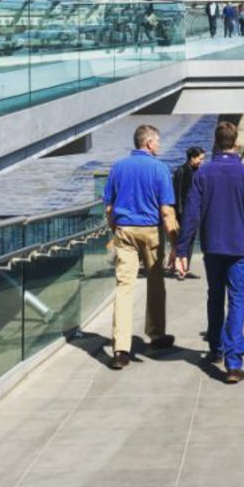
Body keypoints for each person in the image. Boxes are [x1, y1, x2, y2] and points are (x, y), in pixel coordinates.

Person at [176, 120, 244, 383]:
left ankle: (215, 347)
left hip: (213, 246)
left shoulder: (203, 173)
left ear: (215, 142)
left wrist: (182, 249)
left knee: (215, 296)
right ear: (236, 143)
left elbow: (191, 213)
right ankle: (234, 362)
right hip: (240, 246)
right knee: (237, 298)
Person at [102, 123, 177, 369]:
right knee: (156, 283)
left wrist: (116, 230)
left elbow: (109, 208)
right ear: (148, 143)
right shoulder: (160, 169)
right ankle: (156, 335)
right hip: (150, 231)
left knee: (124, 287)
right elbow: (166, 211)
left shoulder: (118, 167)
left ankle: (120, 349)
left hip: (124, 230)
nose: (159, 145)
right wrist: (176, 245)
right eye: (157, 141)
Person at [172, 146, 205, 274]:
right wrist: (178, 212)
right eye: (200, 159)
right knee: (183, 239)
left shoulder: (197, 171)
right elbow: (177, 193)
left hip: (193, 210)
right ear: (192, 158)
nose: (201, 162)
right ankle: (180, 266)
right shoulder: (181, 171)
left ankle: (186, 267)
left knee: (190, 239)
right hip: (183, 211)